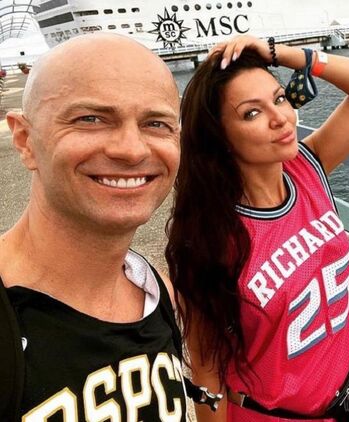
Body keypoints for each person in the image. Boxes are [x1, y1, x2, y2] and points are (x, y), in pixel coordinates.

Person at [166, 35, 349, 421]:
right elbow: (208, 371)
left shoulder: (307, 168)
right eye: (251, 113)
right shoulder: (208, 238)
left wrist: (280, 54)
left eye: (280, 98)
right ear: (219, 136)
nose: (281, 119)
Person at [0, 34, 188, 420]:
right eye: (91, 119)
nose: (132, 149)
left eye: (156, 123)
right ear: (25, 139)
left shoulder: (156, 292)